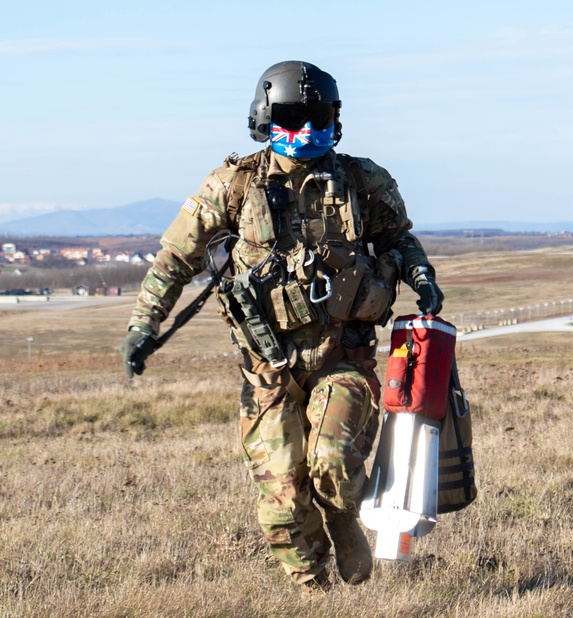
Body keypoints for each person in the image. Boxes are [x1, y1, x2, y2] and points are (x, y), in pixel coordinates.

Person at [119, 60, 443, 592]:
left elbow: (398, 240)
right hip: (266, 369)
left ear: (334, 121)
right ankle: (312, 593)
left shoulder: (364, 181)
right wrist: (143, 326)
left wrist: (421, 275)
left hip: (343, 356)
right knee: (283, 502)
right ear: (264, 119)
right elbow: (175, 260)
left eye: (318, 118)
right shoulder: (232, 185)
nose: (307, 132)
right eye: (292, 119)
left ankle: (342, 515)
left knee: (334, 463)